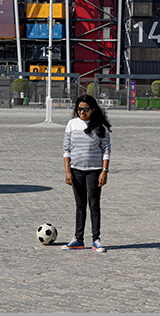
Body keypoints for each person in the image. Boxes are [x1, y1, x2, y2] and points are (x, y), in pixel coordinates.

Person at [62, 95, 111, 252]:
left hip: (94, 171)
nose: (82, 112)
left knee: (94, 204)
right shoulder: (71, 124)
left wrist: (104, 171)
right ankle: (78, 239)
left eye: (85, 109)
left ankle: (96, 239)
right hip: (76, 171)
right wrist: (67, 171)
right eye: (79, 109)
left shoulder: (100, 127)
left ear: (93, 110)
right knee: (80, 205)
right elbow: (66, 149)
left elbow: (106, 149)